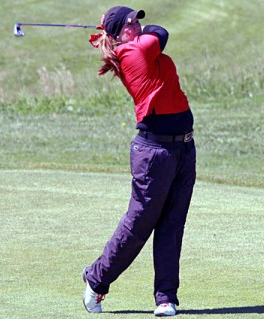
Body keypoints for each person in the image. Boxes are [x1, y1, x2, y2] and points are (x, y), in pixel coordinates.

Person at [83, 6, 196, 317]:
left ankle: (165, 299)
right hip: (154, 154)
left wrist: (124, 28)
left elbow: (154, 33)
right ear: (119, 33)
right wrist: (128, 34)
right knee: (139, 225)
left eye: (137, 20)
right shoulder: (132, 52)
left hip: (183, 148)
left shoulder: (138, 45)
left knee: (173, 225)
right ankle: (96, 280)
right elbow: (162, 31)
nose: (138, 25)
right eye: (131, 22)